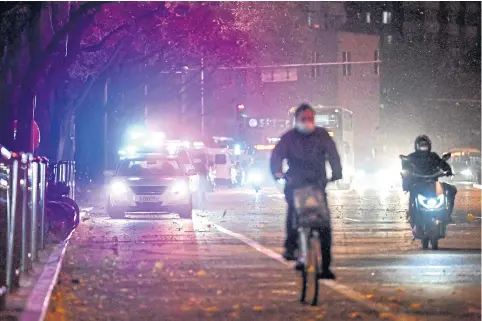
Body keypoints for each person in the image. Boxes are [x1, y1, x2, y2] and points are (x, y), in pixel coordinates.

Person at [270, 103, 342, 280]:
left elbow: (333, 154)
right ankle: (290, 247)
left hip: (317, 184)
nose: (307, 122)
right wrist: (278, 173)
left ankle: (325, 267)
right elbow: (277, 156)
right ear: (296, 121)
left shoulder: (322, 136)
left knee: (324, 225)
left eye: (310, 119)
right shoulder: (288, 138)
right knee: (293, 213)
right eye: (304, 119)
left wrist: (336, 173)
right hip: (295, 184)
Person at [402, 135, 456, 224]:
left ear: (429, 146)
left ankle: (447, 215)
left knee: (451, 190)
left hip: (433, 183)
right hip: (417, 183)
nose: (423, 147)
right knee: (413, 192)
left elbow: (441, 163)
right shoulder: (412, 157)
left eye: (425, 145)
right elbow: (406, 167)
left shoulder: (433, 156)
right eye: (421, 145)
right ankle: (412, 214)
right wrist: (406, 173)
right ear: (417, 146)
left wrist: (448, 170)